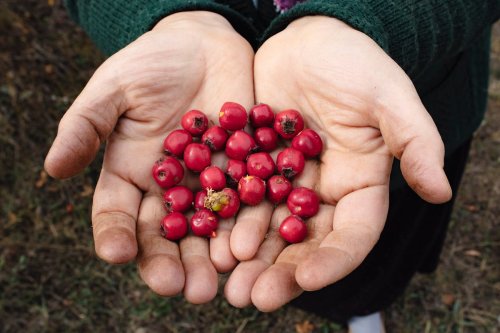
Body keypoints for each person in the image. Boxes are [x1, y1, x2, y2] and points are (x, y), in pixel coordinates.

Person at [44, 0, 500, 331]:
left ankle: (367, 306)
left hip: (379, 120)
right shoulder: (233, 158)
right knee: (311, 261)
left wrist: (370, 20)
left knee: (384, 244)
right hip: (294, 120)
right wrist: (163, 16)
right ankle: (349, 305)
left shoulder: (262, 157)